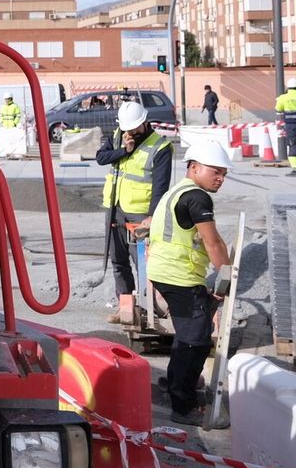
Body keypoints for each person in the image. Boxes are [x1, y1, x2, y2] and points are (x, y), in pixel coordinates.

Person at [147, 140, 233, 428]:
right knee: (196, 340)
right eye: (215, 172)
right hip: (178, 275)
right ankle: (182, 405)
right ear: (194, 168)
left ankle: (176, 383)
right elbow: (212, 241)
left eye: (224, 173)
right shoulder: (197, 198)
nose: (220, 178)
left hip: (168, 272)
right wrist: (227, 275)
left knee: (189, 332)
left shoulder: (177, 191)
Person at [95, 100, 172, 323]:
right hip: (114, 207)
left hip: (140, 214)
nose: (131, 132)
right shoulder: (119, 136)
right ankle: (125, 306)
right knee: (118, 260)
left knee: (145, 264)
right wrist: (123, 151)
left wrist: (152, 216)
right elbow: (101, 158)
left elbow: (161, 186)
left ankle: (152, 306)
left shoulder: (160, 147)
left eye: (135, 128)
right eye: (128, 128)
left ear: (144, 122)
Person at [276, 80, 296, 173]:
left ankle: (295, 168)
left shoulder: (283, 98)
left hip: (291, 125)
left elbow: (278, 109)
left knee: (292, 145)